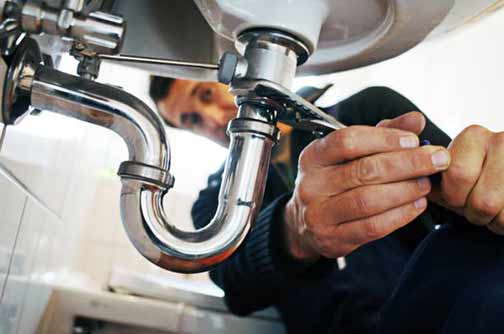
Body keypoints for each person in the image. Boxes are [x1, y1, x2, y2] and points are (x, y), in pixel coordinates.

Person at [150, 76, 504, 333]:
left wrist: (488, 178)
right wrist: (292, 230)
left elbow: (469, 201)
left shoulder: (367, 112)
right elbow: (237, 289)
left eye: (206, 93)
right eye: (192, 121)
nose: (212, 118)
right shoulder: (217, 200)